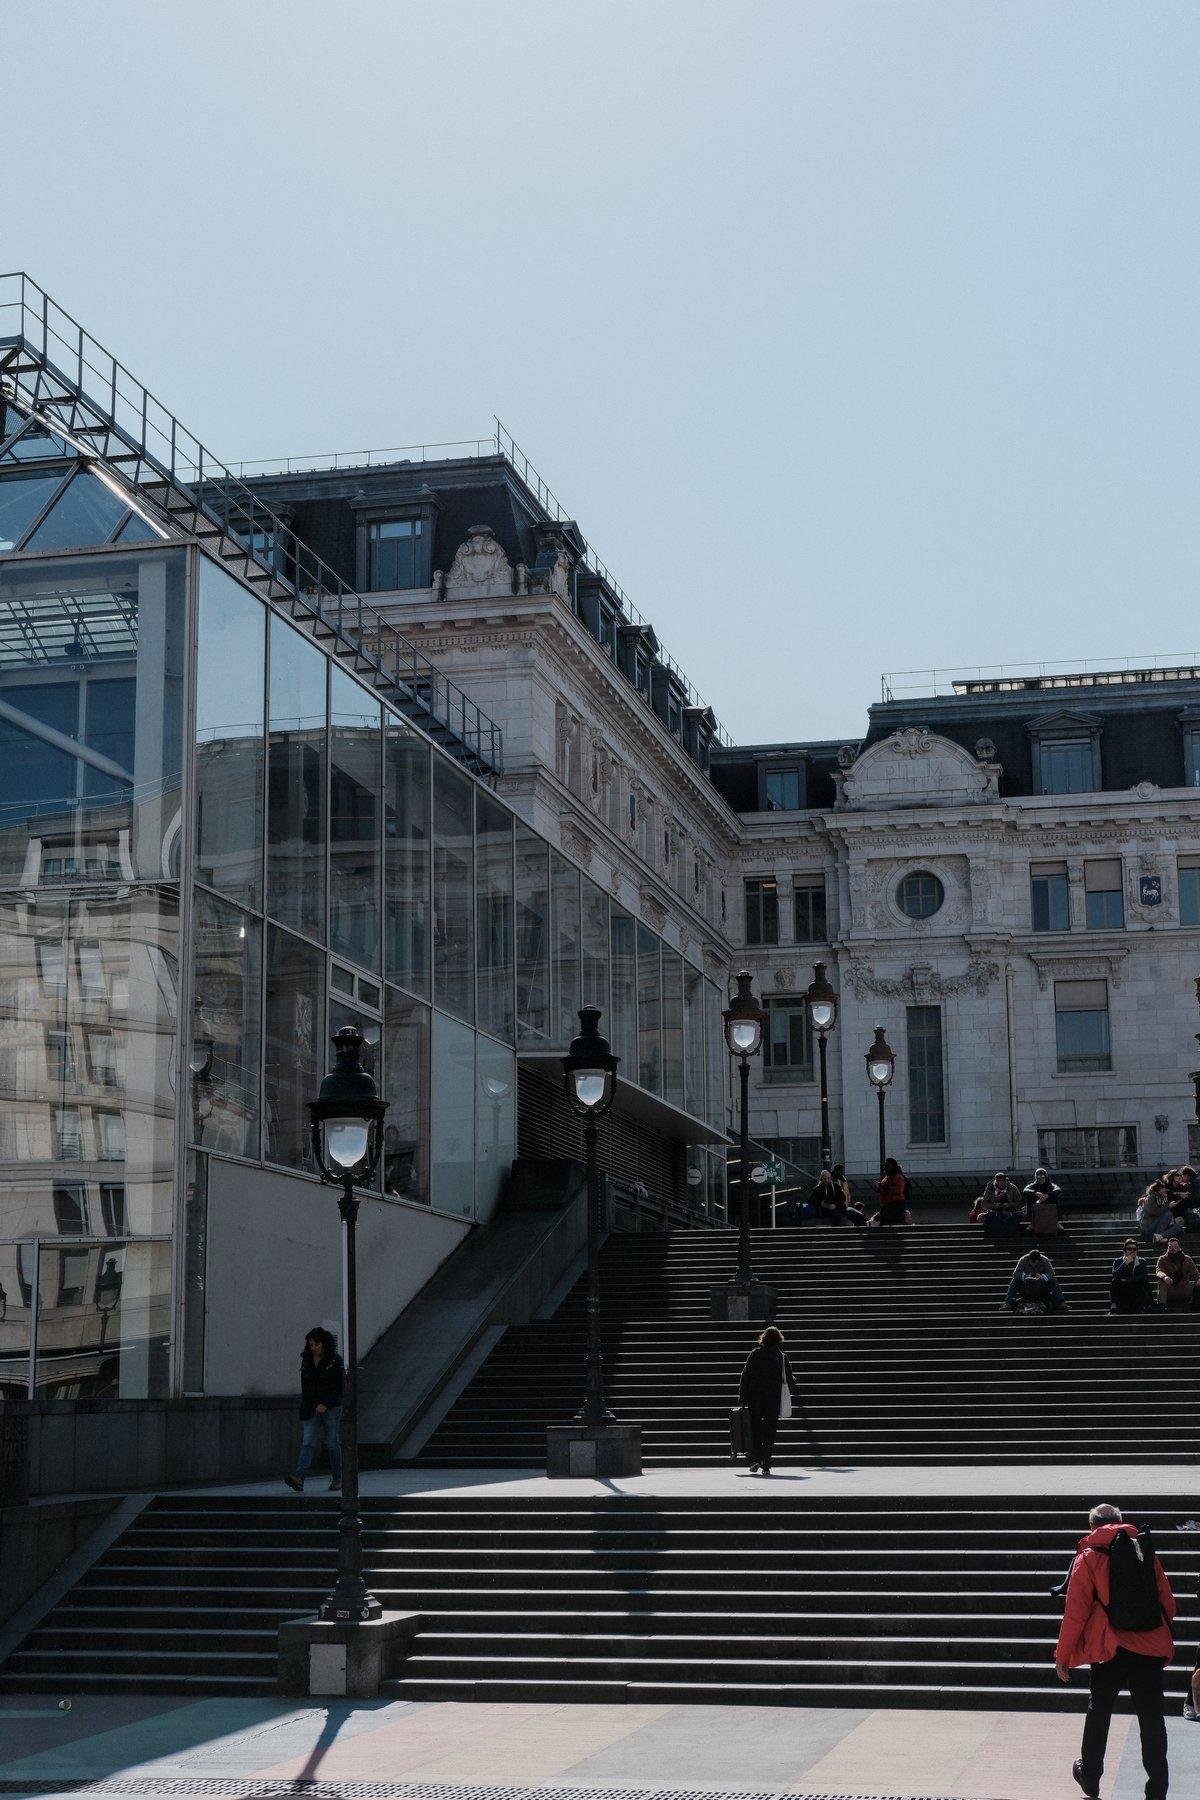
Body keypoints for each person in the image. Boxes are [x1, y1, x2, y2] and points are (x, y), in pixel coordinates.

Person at [1054, 1502, 1174, 1800]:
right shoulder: (1142, 1549)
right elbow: (1167, 1600)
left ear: (1092, 1526)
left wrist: (1063, 1655)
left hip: (1108, 1649)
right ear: (1120, 1521)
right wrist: (1162, 1636)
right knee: (1151, 1718)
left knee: (1100, 1712)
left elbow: (1075, 1613)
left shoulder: (1088, 1557)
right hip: (1148, 1646)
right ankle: (1157, 1789)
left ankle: (1091, 1778)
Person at [284, 1326, 344, 1493]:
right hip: (311, 1407)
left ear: (324, 1344)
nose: (313, 1348)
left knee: (332, 1443)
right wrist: (306, 1407)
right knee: (308, 1442)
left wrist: (326, 1403)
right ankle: (299, 1478)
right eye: (311, 1345)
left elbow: (340, 1388)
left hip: (330, 1407)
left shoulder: (334, 1361)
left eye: (316, 1344)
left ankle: (338, 1478)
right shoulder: (307, 1361)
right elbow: (306, 1386)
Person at [737, 1325, 798, 1476]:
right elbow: (790, 1380)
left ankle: (756, 1458)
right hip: (773, 1399)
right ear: (779, 1340)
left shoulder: (755, 1354)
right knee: (770, 1431)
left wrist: (742, 1398)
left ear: (763, 1338)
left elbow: (745, 1376)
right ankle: (766, 1465)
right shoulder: (782, 1357)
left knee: (756, 1429)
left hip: (755, 1398)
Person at [1001, 1246, 1069, 1313]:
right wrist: (1026, 1276)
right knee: (1014, 1281)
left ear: (1039, 1260)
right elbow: (1015, 1273)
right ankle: (1009, 1303)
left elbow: (1052, 1273)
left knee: (1053, 1281)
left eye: (1035, 1264)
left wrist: (1042, 1277)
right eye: (1031, 1263)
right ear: (1028, 1259)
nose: (1033, 1265)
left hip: (1041, 1286)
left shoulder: (1045, 1260)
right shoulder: (1023, 1260)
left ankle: (1060, 1302)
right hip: (1026, 1285)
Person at [974, 1171, 1028, 1237]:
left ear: (1005, 1181)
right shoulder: (990, 1188)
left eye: (1002, 1181)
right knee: (980, 1217)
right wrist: (994, 1206)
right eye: (998, 1181)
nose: (1000, 1183)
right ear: (995, 1181)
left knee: (1023, 1215)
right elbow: (984, 1204)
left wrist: (1009, 1204)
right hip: (994, 1211)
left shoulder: (1012, 1187)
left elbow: (1019, 1202)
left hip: (1010, 1211)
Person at [1109, 1238, 1154, 1314]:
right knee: (1114, 1282)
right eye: (1129, 1249)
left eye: (1134, 1249)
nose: (1132, 1251)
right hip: (1123, 1290)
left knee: (1144, 1282)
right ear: (1125, 1250)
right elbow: (1115, 1275)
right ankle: (1114, 1305)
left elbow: (1143, 1277)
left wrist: (1128, 1280)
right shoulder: (1118, 1261)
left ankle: (1147, 1305)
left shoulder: (1141, 1261)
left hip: (1136, 1289)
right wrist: (1124, 1263)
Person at [1156, 1236, 1198, 1308]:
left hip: (1185, 1289)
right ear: (1167, 1248)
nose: (1173, 1249)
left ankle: (1195, 1306)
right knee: (1161, 1281)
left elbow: (1196, 1273)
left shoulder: (1187, 1259)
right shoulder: (1162, 1259)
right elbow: (1159, 1271)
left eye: (1176, 1246)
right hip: (1171, 1290)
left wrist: (1198, 1279)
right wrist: (1164, 1277)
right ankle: (1161, 1307)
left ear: (1179, 1247)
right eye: (1170, 1247)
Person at [870, 1157, 911, 1227]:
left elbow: (899, 1189)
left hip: (895, 1205)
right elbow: (886, 1189)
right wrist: (879, 1188)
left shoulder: (897, 1176)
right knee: (886, 1223)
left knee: (890, 1223)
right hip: (889, 1204)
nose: (885, 1167)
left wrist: (883, 1187)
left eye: (887, 1165)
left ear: (892, 1166)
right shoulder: (889, 1176)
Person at [1136, 1179, 1175, 1245]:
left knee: (1178, 1227)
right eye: (1163, 1190)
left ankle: (1159, 1236)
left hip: (1157, 1226)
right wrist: (1168, 1206)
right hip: (1148, 1228)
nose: (1165, 1191)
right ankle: (1159, 1235)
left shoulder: (1163, 1199)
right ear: (1157, 1191)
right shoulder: (1151, 1198)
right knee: (1168, 1214)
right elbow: (1154, 1212)